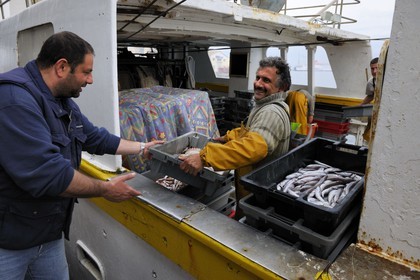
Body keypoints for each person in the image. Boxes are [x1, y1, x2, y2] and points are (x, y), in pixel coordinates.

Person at [0, 31, 163, 279]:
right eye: (86, 72)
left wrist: (143, 148)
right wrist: (104, 189)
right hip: (9, 241)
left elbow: (94, 137)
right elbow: (48, 174)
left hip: (48, 234)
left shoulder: (61, 100)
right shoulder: (14, 99)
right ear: (62, 67)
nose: (91, 80)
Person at [179, 56, 291, 220]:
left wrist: (204, 157)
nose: (258, 84)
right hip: (251, 190)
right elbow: (251, 132)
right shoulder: (266, 106)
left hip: (257, 196)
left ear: (282, 88)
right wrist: (227, 137)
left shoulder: (270, 113)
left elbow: (254, 147)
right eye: (258, 77)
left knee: (248, 227)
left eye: (266, 80)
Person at [360, 57, 379, 142]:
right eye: (372, 69)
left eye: (377, 68)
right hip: (376, 110)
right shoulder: (371, 82)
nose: (374, 71)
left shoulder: (388, 80)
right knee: (370, 131)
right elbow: (370, 96)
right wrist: (360, 105)